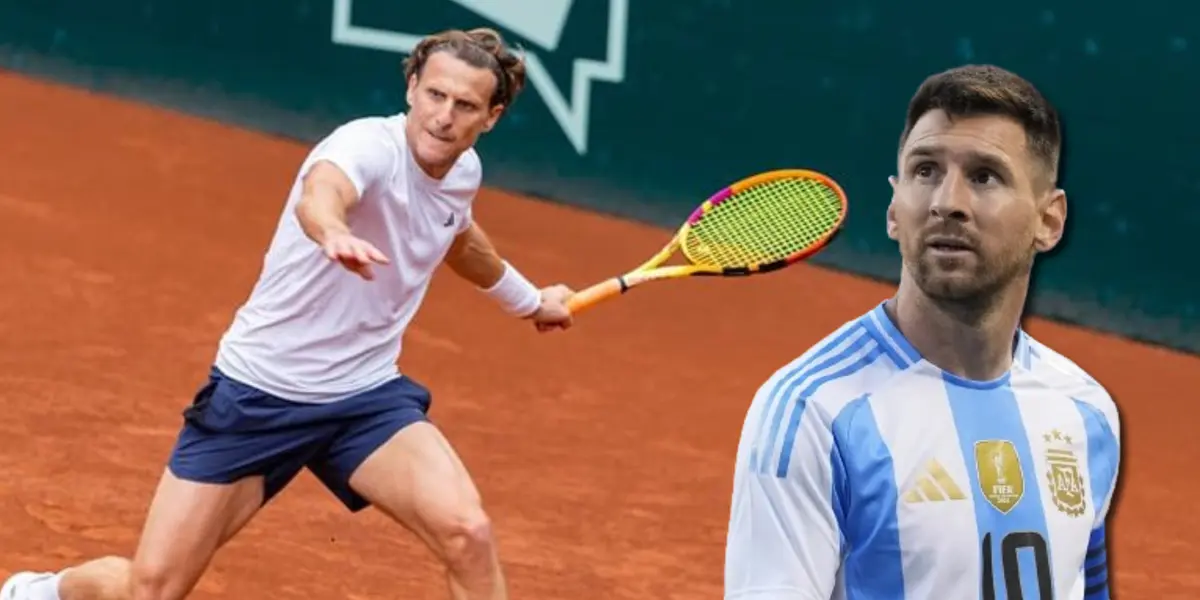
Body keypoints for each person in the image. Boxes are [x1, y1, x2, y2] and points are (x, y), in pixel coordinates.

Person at [2, 27, 573, 600]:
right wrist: (333, 232)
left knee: (467, 533)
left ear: (491, 116)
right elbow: (321, 193)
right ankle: (43, 593)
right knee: (150, 590)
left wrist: (528, 301)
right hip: (259, 396)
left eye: (465, 105)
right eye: (434, 95)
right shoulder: (363, 147)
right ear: (411, 89)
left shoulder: (463, 172)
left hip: (363, 397)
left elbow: (459, 237)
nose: (444, 117)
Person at [722, 64, 1120, 599]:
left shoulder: (1086, 412)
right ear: (893, 208)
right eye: (925, 170)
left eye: (985, 176)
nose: (946, 202)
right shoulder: (814, 412)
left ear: (1049, 221)